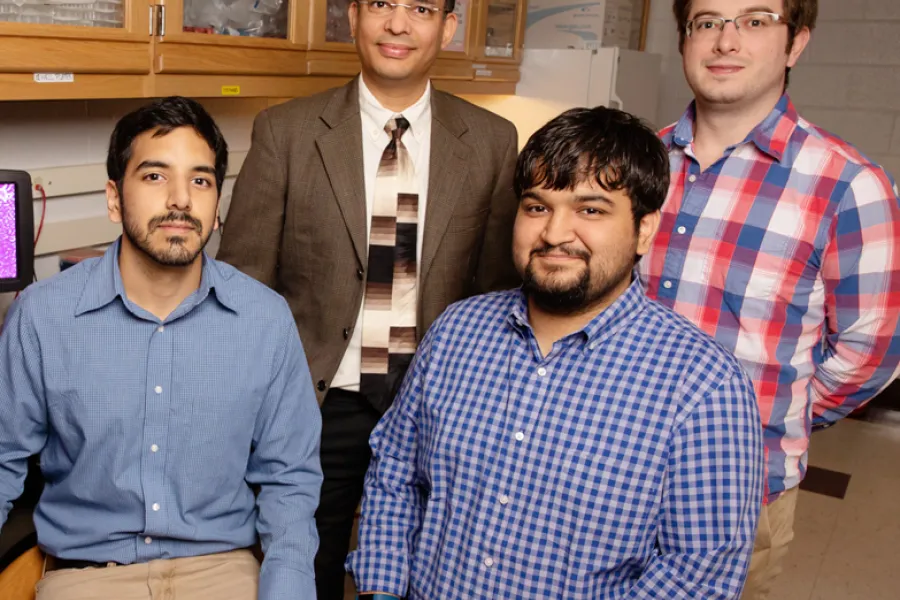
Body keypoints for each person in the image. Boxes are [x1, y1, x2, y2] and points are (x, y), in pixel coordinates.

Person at [347, 107, 764, 599]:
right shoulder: (457, 332)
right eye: (537, 207)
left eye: (591, 210)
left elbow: (697, 575)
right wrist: (384, 591)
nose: (554, 234)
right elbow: (394, 474)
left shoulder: (703, 385)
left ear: (645, 230)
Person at [216, 1, 520, 596]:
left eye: (421, 8)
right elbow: (243, 286)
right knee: (306, 563)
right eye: (381, 3)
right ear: (352, 17)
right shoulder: (287, 131)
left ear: (448, 27)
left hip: (442, 405)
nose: (398, 25)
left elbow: (495, 292)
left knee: (428, 568)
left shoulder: (491, 140)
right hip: (318, 403)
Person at [0, 97, 322, 600]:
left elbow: (291, 482)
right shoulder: (43, 317)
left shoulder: (265, 319)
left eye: (200, 180)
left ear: (217, 207)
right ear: (113, 199)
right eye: (154, 177)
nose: (180, 199)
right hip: (88, 577)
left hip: (223, 572)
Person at [640, 1, 900, 598]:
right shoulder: (637, 164)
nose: (726, 41)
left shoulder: (848, 184)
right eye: (707, 22)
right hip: (609, 471)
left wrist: (768, 419)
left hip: (735, 495)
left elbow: (872, 351)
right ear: (685, 40)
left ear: (796, 42)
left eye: (755, 21)